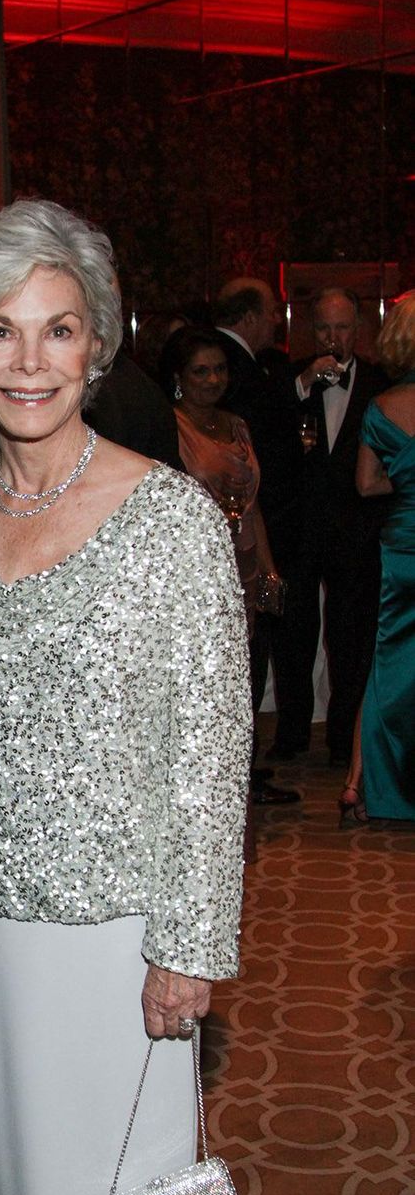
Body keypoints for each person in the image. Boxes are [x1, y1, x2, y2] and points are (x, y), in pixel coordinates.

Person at [0, 199, 250, 1195]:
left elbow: (211, 746)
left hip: (119, 946)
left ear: (97, 346)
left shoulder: (170, 519)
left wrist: (190, 945)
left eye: (58, 329)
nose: (28, 361)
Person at [269, 288, 389, 766]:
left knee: (351, 636)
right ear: (309, 329)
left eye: (342, 327)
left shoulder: (381, 383)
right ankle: (293, 733)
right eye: (323, 328)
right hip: (300, 529)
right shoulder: (289, 379)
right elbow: (267, 430)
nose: (333, 337)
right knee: (294, 633)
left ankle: (344, 739)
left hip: (357, 531)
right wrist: (302, 382)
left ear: (358, 330)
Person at [212, 278, 302, 803]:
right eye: (273, 311)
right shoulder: (239, 372)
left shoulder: (239, 409)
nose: (214, 378)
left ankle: (244, 768)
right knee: (230, 667)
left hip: (252, 543)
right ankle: (232, 777)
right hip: (219, 554)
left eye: (217, 372)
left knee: (253, 658)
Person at [340, 292, 415, 825]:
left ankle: (359, 782)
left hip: (401, 547)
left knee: (387, 666)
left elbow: (366, 485)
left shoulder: (381, 405)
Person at [161, 325, 279, 625]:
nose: (213, 380)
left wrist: (268, 569)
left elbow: (253, 506)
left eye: (220, 369)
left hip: (245, 558)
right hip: (198, 563)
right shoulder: (169, 427)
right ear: (179, 377)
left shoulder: (237, 425)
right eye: (200, 371)